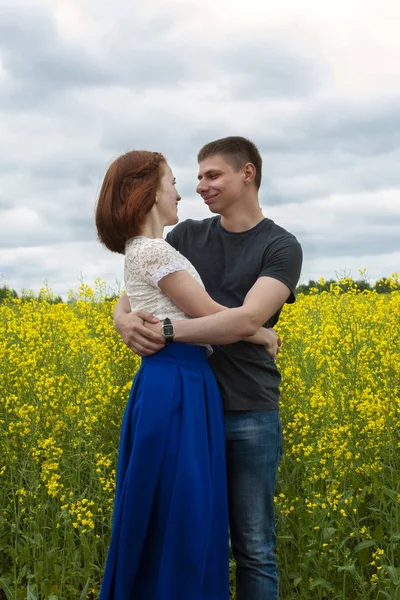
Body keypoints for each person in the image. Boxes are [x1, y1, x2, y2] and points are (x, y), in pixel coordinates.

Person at [114, 137, 303, 600]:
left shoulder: (280, 247)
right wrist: (120, 320)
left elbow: (246, 318)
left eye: (212, 175)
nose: (200, 186)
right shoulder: (186, 236)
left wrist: (168, 332)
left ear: (247, 174)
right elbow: (138, 289)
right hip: (188, 407)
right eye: (195, 177)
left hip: (248, 409)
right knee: (192, 533)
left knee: (254, 546)